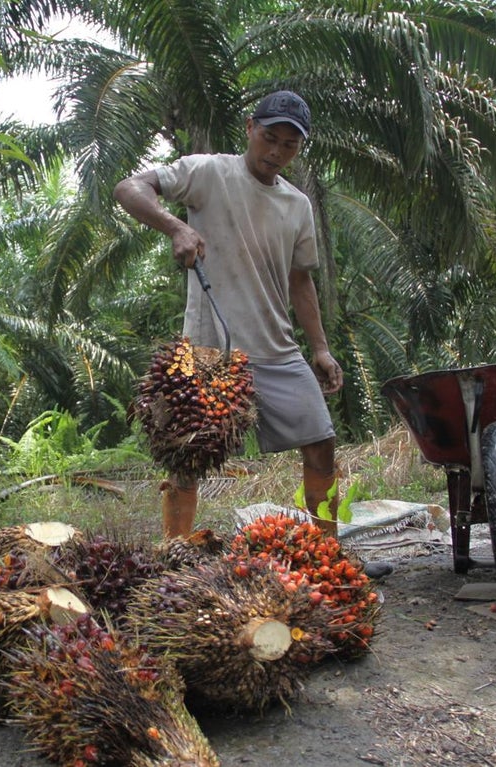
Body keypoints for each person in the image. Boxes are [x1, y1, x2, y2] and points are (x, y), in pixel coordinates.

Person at [114, 89, 344, 539]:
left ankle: (327, 552)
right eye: (269, 137)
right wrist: (176, 226)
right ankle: (175, 550)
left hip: (276, 349)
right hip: (207, 350)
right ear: (249, 128)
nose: (276, 152)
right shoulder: (208, 172)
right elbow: (129, 188)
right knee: (187, 455)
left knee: (321, 441)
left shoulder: (297, 205)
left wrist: (320, 348)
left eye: (289, 145)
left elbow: (301, 281)